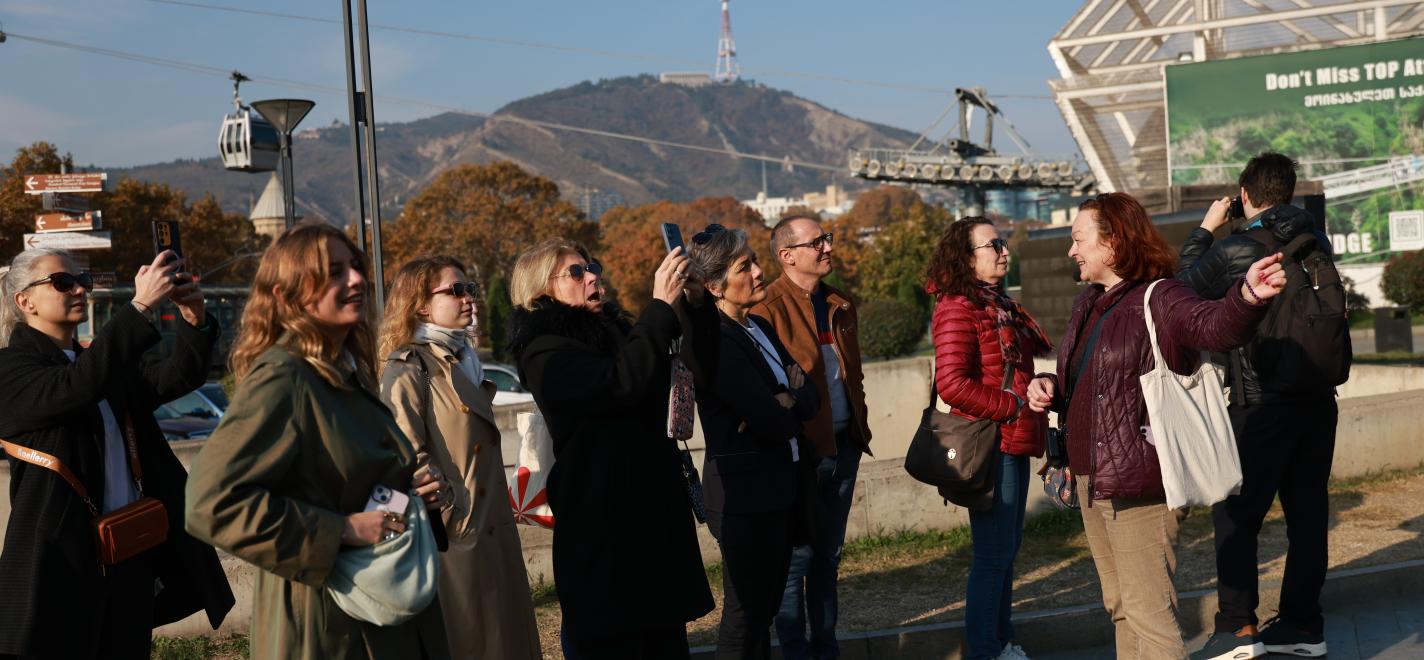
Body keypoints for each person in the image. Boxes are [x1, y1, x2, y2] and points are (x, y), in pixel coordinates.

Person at [1025, 193, 1288, 660]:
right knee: (1122, 608)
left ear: (1113, 242)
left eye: (1078, 239)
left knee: (1150, 612)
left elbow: (1213, 327)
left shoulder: (1160, 295)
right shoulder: (1090, 302)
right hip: (1092, 480)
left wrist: (1246, 298)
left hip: (1141, 483)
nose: (1072, 250)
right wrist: (1048, 384)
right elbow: (1088, 381)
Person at [184, 222, 450, 659]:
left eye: (355, 268)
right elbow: (210, 503)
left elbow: (345, 477)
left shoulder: (344, 370)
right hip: (330, 624)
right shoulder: (285, 376)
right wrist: (340, 530)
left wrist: (410, 493)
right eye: (333, 273)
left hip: (379, 605)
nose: (357, 280)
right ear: (288, 297)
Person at [0, 248, 233, 659]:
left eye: (83, 281)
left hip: (128, 550)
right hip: (61, 562)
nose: (78, 290)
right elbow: (75, 388)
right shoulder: (11, 368)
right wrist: (140, 306)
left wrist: (194, 320)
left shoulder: (96, 363)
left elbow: (173, 377)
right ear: (25, 301)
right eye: (62, 282)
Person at [505, 238, 718, 659]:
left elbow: (697, 371)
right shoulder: (544, 351)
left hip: (654, 526)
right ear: (541, 290)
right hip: (604, 536)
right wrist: (658, 308)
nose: (593, 277)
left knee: (665, 643)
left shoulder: (622, 333)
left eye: (594, 266)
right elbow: (619, 384)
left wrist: (693, 304)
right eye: (576, 272)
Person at [1177, 153, 1341, 660]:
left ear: (1245, 196)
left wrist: (1206, 228)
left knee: (1236, 515)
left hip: (1261, 404)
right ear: (1288, 193)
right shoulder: (1316, 243)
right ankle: (1302, 626)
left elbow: (1179, 293)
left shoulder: (1239, 247)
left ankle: (1237, 629)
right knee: (1307, 515)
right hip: (1318, 401)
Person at [377, 256, 541, 659]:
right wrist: (453, 513)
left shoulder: (464, 358)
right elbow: (405, 453)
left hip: (493, 528)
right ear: (420, 303)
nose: (469, 298)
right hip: (455, 538)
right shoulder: (409, 366)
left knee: (508, 640)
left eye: (469, 289)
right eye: (455, 290)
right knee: (471, 644)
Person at [686, 225, 819, 660]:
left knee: (762, 613)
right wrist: (782, 402)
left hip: (780, 487)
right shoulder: (716, 340)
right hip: (743, 496)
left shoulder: (758, 325)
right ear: (714, 286)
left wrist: (788, 399)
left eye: (755, 261)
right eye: (745, 267)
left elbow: (809, 394)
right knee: (745, 617)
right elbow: (770, 421)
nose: (760, 272)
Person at [925, 217, 1052, 660]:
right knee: (994, 555)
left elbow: (1014, 369)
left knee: (1005, 552)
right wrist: (1013, 405)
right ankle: (986, 650)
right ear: (966, 257)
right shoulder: (959, 306)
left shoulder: (996, 304)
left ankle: (1003, 642)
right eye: (993, 244)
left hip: (1012, 440)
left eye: (1003, 242)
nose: (1004, 251)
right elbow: (952, 384)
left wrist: (1035, 389)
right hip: (990, 444)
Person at [753, 214, 871, 660]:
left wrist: (860, 425)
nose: (827, 247)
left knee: (829, 558)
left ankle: (827, 651)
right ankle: (798, 653)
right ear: (787, 256)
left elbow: (850, 376)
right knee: (796, 563)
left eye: (828, 238)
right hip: (800, 455)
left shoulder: (840, 302)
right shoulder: (766, 309)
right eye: (817, 241)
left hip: (845, 448)